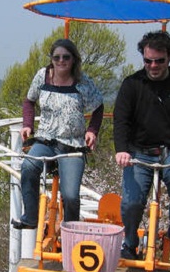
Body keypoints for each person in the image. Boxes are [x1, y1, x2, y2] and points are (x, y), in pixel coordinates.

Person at [113, 30, 170, 260]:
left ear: (169, 58)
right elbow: (121, 119)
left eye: (159, 61)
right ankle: (130, 243)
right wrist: (121, 149)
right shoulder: (132, 84)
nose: (153, 66)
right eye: (148, 60)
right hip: (140, 151)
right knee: (132, 202)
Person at [12, 38, 105, 230]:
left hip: (72, 143)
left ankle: (71, 230)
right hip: (46, 138)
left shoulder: (82, 82)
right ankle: (31, 216)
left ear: (73, 59)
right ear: (51, 59)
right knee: (28, 167)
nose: (61, 61)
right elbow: (29, 101)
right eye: (56, 57)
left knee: (70, 194)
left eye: (65, 57)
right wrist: (27, 124)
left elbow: (98, 106)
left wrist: (92, 130)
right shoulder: (42, 76)